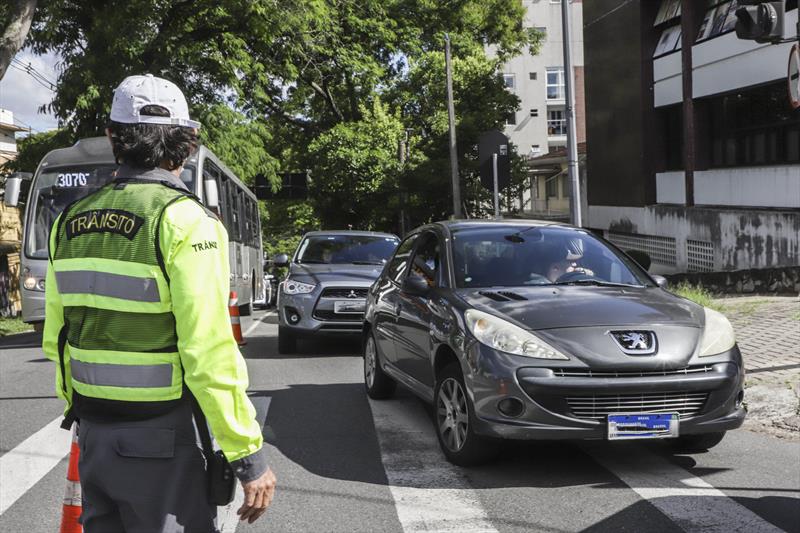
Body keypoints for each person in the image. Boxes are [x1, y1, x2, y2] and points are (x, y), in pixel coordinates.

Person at [42, 74, 276, 532]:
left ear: (113, 137)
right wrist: (248, 455)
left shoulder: (68, 221)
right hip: (164, 442)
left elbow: (58, 337)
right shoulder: (186, 221)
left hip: (93, 436)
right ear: (187, 143)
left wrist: (89, 413)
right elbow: (208, 352)